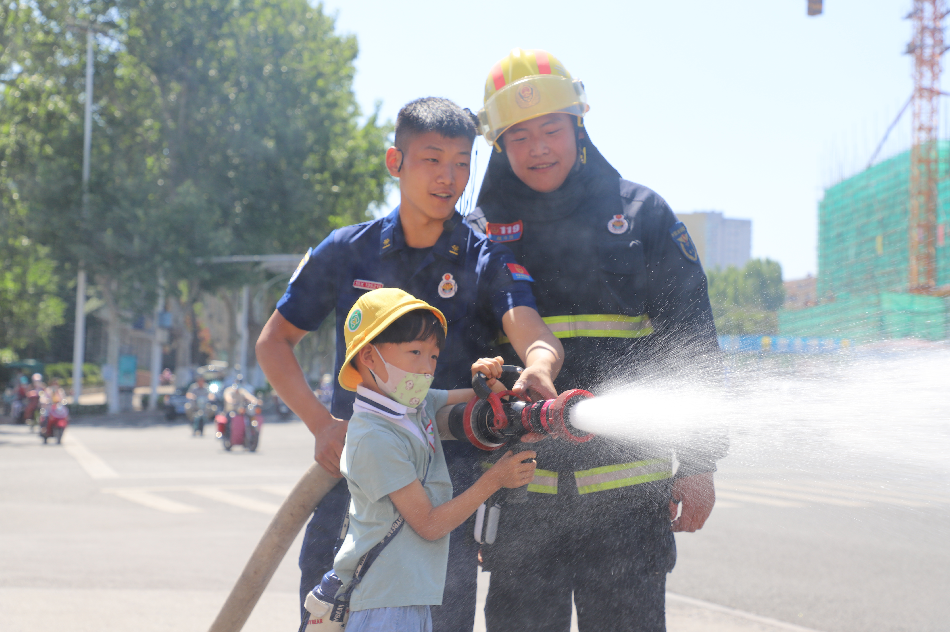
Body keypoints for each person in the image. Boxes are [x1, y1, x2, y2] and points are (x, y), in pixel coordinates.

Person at [256, 97, 563, 631]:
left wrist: (540, 364)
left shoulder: (483, 256)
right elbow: (273, 342)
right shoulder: (344, 250)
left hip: (445, 491)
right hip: (352, 484)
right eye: (432, 159)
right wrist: (323, 426)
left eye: (462, 162)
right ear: (395, 163)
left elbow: (529, 328)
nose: (450, 177)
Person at [468, 49, 729, 632]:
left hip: (629, 499)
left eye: (551, 129)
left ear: (578, 125)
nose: (538, 148)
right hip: (520, 497)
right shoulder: (481, 232)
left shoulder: (642, 215)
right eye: (518, 136)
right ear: (499, 145)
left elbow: (692, 340)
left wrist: (700, 461)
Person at [303, 288, 536, 632]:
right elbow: (428, 524)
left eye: (433, 356)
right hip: (384, 606)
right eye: (415, 352)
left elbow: (483, 399)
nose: (426, 368)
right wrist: (494, 480)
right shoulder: (374, 437)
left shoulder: (413, 406)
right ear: (368, 356)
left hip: (407, 598)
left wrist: (489, 379)